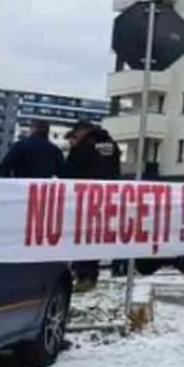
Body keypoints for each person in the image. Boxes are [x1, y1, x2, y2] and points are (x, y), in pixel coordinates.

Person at [62, 119, 122, 292]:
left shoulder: (84, 146)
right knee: (95, 236)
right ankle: (92, 275)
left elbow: (70, 171)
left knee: (82, 236)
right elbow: (115, 170)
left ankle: (83, 275)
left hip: (84, 197)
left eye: (77, 133)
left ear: (83, 131)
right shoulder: (111, 144)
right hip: (106, 196)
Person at [0, 119, 65, 179]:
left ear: (34, 129)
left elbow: (4, 167)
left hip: (21, 188)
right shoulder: (56, 151)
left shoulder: (20, 145)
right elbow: (62, 174)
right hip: (41, 190)